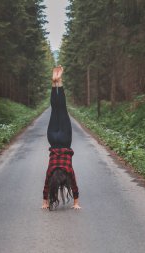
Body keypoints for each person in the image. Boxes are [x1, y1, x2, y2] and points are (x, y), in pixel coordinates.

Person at [41, 66, 81, 210]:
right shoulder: (51, 171)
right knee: (55, 109)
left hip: (65, 140)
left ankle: (59, 82)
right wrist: (44, 202)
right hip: (52, 138)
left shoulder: (67, 170)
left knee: (62, 109)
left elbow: (74, 185)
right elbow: (46, 184)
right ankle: (54, 83)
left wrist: (76, 202)